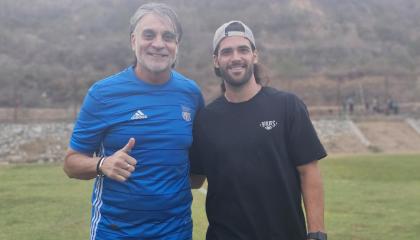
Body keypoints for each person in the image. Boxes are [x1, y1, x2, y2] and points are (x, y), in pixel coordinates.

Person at [63, 3, 204, 239]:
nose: (158, 43)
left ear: (176, 45)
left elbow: (197, 173)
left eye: (168, 36)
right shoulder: (103, 94)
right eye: (149, 34)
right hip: (116, 232)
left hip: (176, 231)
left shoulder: (191, 94)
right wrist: (102, 164)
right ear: (133, 41)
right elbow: (71, 163)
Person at [190, 21, 327, 240]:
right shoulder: (205, 120)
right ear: (216, 61)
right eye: (226, 51)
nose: (235, 57)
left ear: (255, 55)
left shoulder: (287, 106)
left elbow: (309, 172)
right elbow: (194, 179)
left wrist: (317, 233)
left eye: (243, 49)